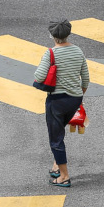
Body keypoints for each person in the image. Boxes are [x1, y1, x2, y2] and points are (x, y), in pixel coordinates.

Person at [33, 20, 89, 188]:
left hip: (56, 101)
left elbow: (40, 75)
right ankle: (57, 164)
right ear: (68, 34)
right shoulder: (78, 51)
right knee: (59, 132)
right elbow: (85, 79)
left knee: (56, 138)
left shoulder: (51, 53)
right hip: (74, 99)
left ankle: (64, 176)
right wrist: (77, 96)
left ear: (52, 35)